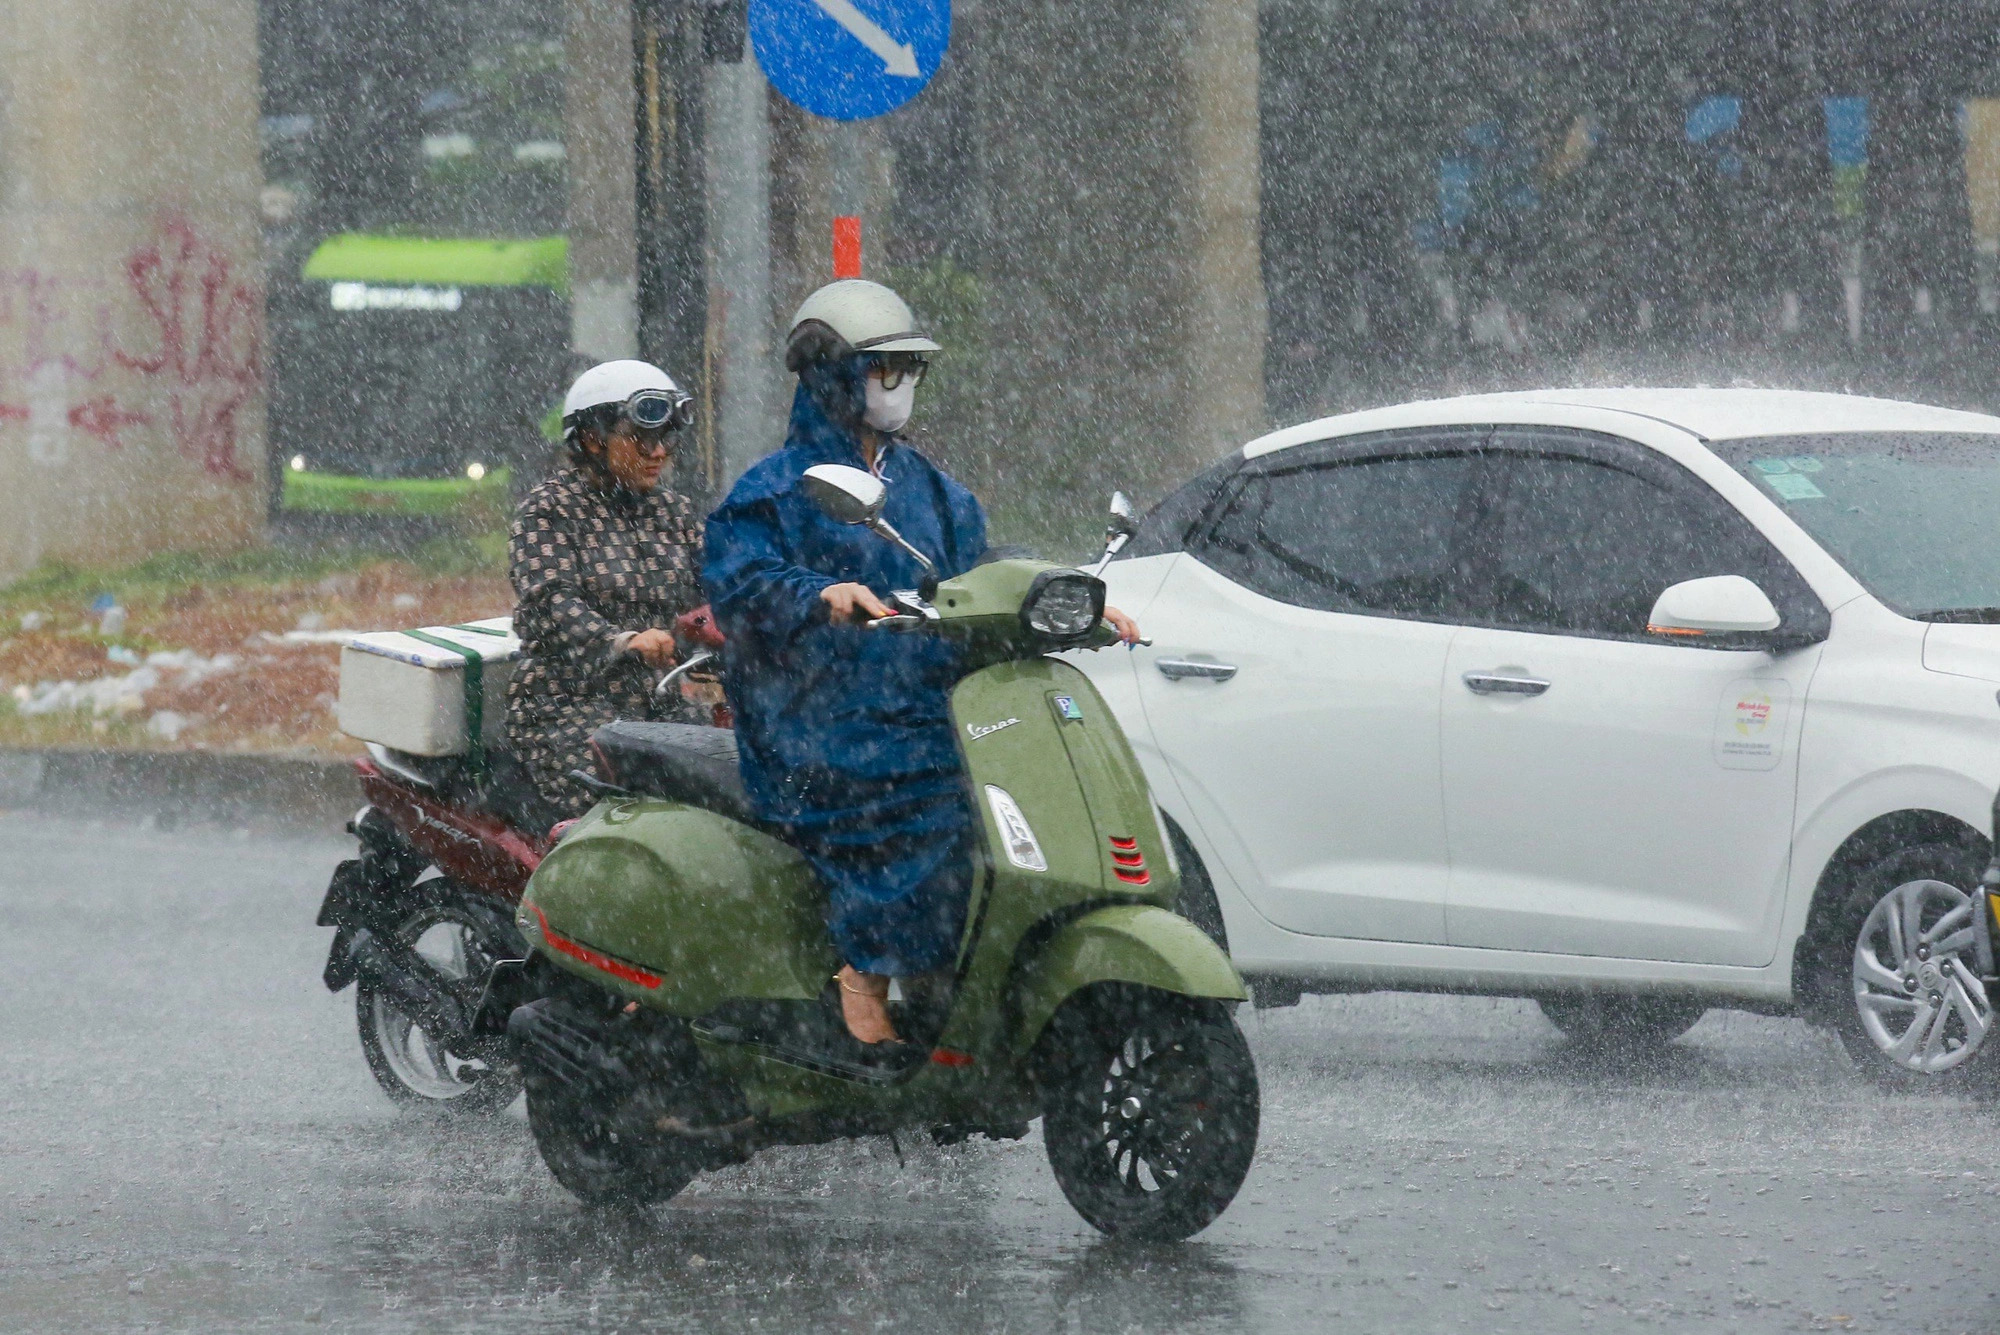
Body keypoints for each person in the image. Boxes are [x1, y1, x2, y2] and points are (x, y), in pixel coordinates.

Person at [703, 280, 1139, 1051]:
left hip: (920, 708)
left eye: (908, 369)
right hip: (814, 723)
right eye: (885, 369)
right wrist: (819, 593)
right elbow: (738, 582)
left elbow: (977, 571)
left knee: (1015, 797)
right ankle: (864, 969)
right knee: (937, 801)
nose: (899, 387)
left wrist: (1071, 599)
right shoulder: (771, 491)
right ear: (833, 374)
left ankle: (959, 975)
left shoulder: (936, 491)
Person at [506, 360, 705, 818]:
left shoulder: (675, 512)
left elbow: (717, 586)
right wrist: (623, 641)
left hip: (662, 701)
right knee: (621, 819)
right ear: (594, 439)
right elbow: (549, 603)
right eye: (643, 438)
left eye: (667, 440)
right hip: (566, 705)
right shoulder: (548, 511)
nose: (659, 453)